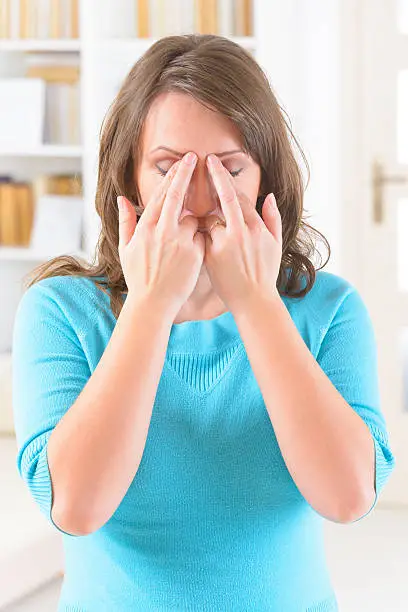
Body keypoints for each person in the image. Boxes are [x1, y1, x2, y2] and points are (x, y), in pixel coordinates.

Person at [12, 33, 395, 611]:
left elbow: (348, 498)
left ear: (265, 180)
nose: (199, 198)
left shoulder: (329, 311)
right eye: (170, 167)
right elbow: (76, 507)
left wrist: (258, 305)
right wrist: (149, 306)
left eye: (229, 169)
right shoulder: (60, 313)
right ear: (130, 181)